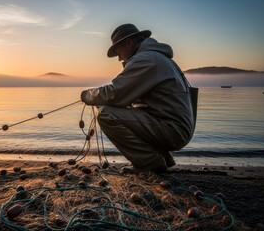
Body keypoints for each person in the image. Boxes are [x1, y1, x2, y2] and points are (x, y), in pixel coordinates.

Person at [81, 23, 195, 173]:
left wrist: (88, 95)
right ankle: (159, 160)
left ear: (129, 42)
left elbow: (115, 93)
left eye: (118, 51)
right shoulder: (155, 57)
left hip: (173, 130)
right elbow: (124, 97)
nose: (119, 58)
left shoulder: (145, 59)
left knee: (105, 114)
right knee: (118, 109)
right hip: (173, 126)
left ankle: (150, 164)